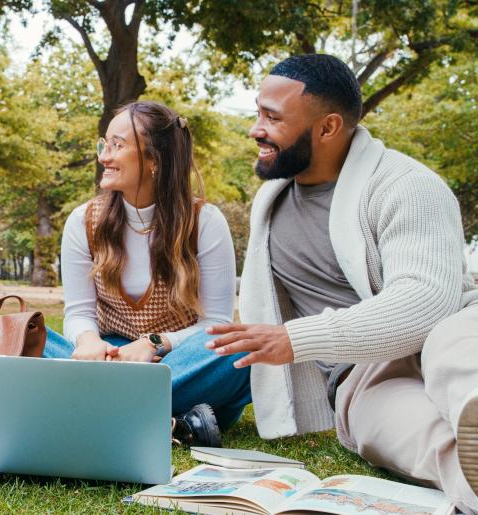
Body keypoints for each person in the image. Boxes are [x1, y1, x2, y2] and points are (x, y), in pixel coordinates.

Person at [207, 54, 478, 512]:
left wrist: (298, 338)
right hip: (361, 376)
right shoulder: (270, 207)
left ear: (329, 127)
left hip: (450, 328)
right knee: (405, 434)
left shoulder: (409, 185)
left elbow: (426, 300)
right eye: (258, 113)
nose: (256, 129)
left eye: (272, 118)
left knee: (459, 352)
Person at [48, 100, 251, 447]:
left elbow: (214, 324)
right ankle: (177, 422)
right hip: (108, 357)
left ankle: (96, 410)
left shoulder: (205, 222)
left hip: (178, 361)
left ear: (155, 160)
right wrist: (89, 342)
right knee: (29, 338)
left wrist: (154, 344)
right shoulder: (83, 221)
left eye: (117, 145)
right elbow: (79, 313)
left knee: (236, 349)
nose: (104, 156)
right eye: (104, 143)